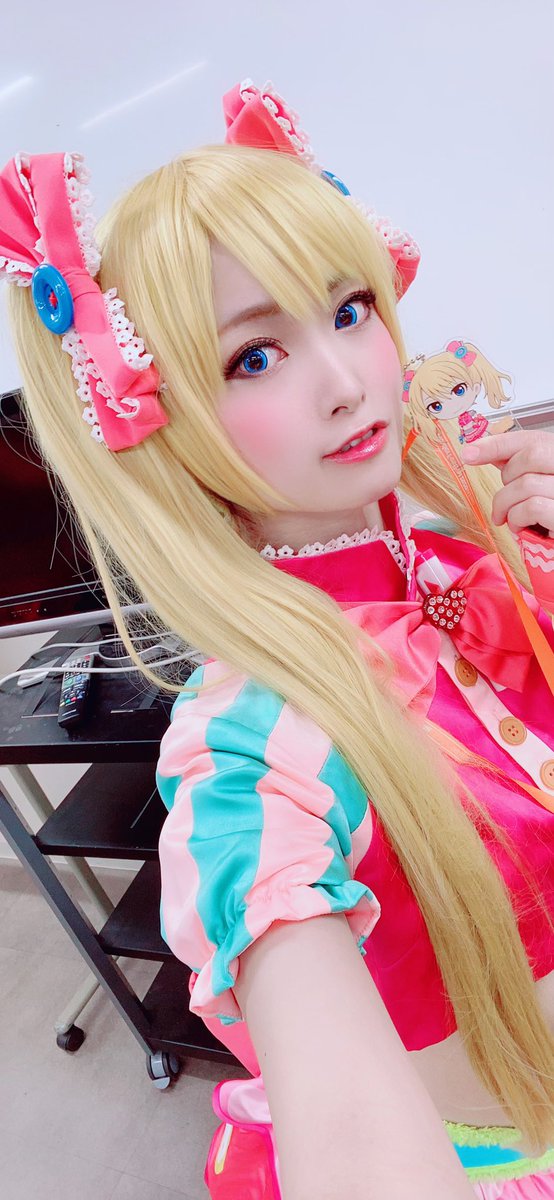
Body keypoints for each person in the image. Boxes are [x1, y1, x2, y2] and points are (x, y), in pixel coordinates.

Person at [1, 78, 554, 1200]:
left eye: (347, 309)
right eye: (254, 357)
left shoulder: (484, 554)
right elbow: (349, 1138)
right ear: (161, 417)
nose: (348, 383)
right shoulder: (253, 752)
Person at [403, 340, 516, 445]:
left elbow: (481, 424)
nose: (452, 404)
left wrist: (493, 428)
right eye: (436, 406)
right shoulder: (455, 425)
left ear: (476, 387)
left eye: (459, 390)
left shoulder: (472, 416)